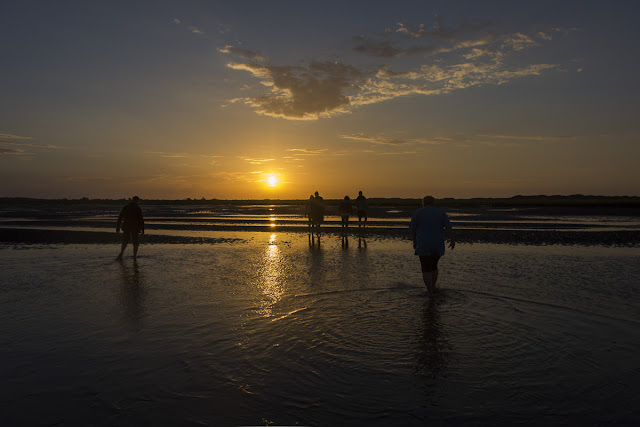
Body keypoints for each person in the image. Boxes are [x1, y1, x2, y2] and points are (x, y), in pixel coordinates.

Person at [409, 196, 455, 295]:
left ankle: (429, 290)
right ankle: (433, 287)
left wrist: (414, 241)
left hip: (423, 243)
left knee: (425, 267)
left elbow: (413, 229)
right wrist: (452, 240)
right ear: (434, 203)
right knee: (434, 266)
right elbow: (448, 227)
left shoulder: (418, 212)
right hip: (437, 243)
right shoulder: (441, 212)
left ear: (423, 203)